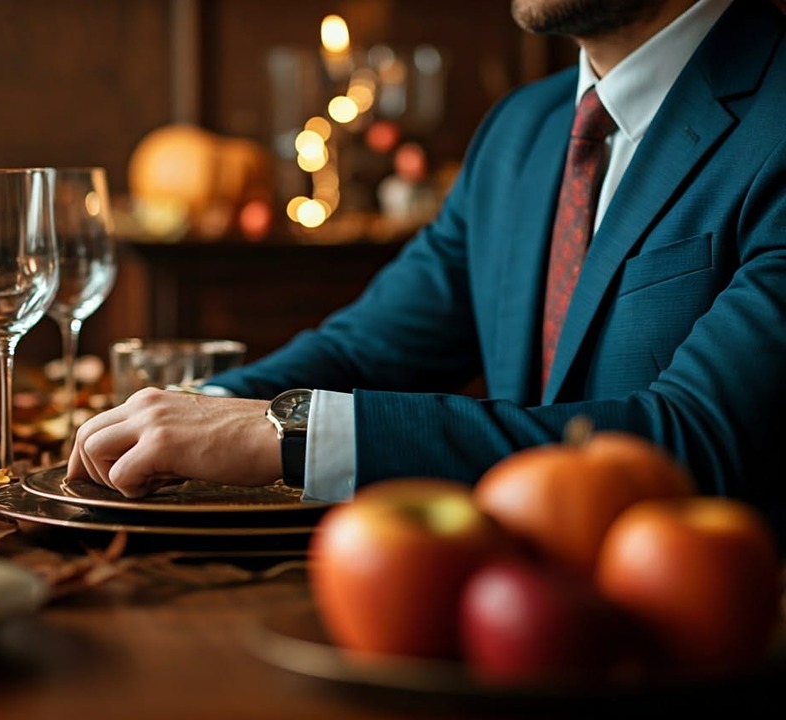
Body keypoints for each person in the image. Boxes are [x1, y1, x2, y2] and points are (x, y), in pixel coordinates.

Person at [67, 0, 786, 538]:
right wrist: (193, 412)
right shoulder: (520, 131)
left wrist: (288, 434)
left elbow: (696, 438)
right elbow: (369, 349)